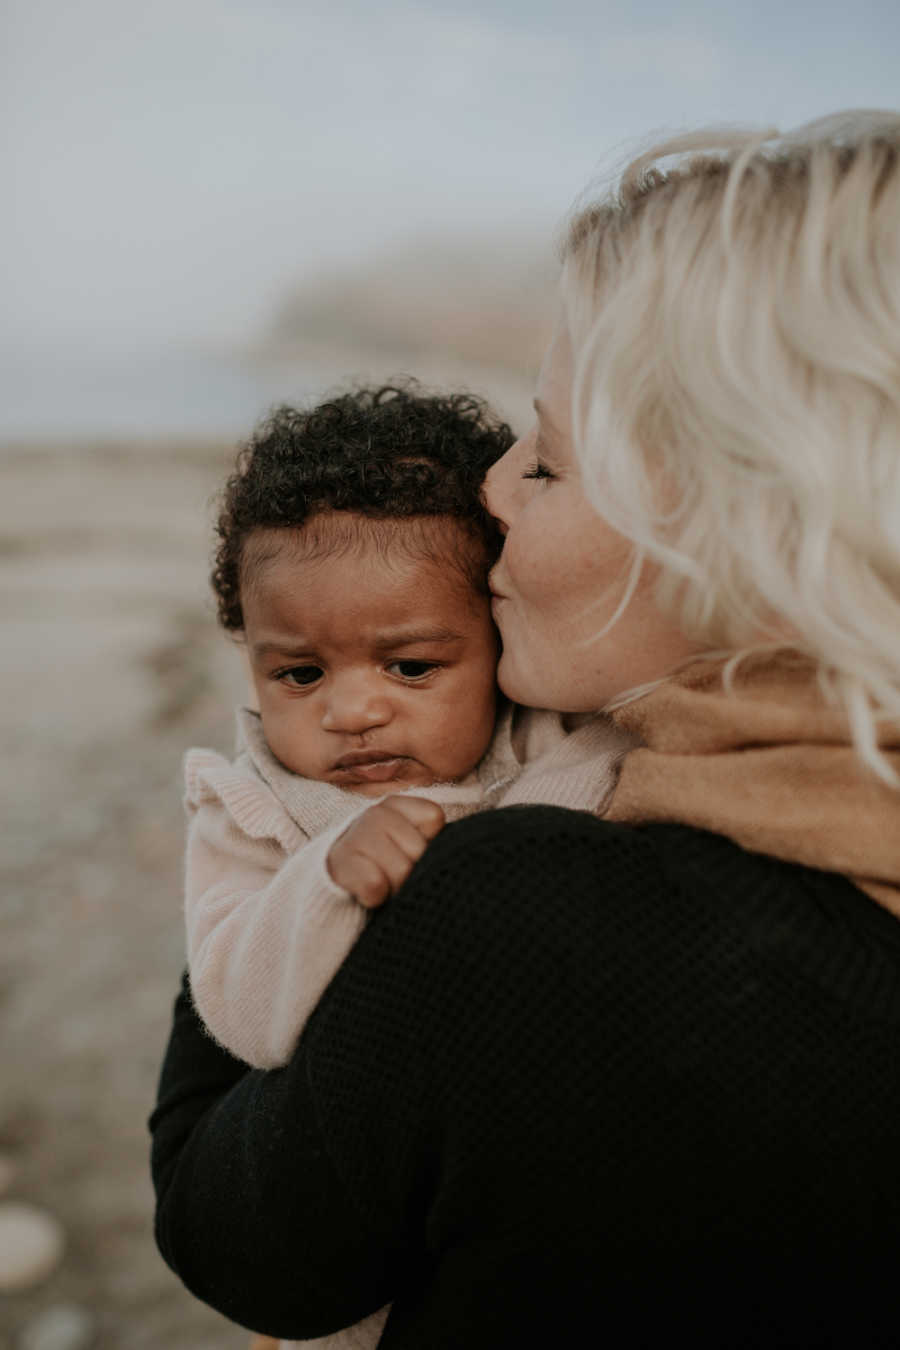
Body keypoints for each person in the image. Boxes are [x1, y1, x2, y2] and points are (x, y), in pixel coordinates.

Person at [151, 112, 900, 1348]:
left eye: (544, 462)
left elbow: (233, 1239)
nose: (490, 492)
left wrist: (268, 851)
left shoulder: (522, 912)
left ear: (746, 521)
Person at [184, 385, 624, 1072]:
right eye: (300, 675)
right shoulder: (251, 813)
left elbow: (617, 779)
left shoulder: (540, 739)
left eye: (411, 666)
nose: (353, 714)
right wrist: (326, 881)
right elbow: (240, 1018)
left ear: (499, 636)